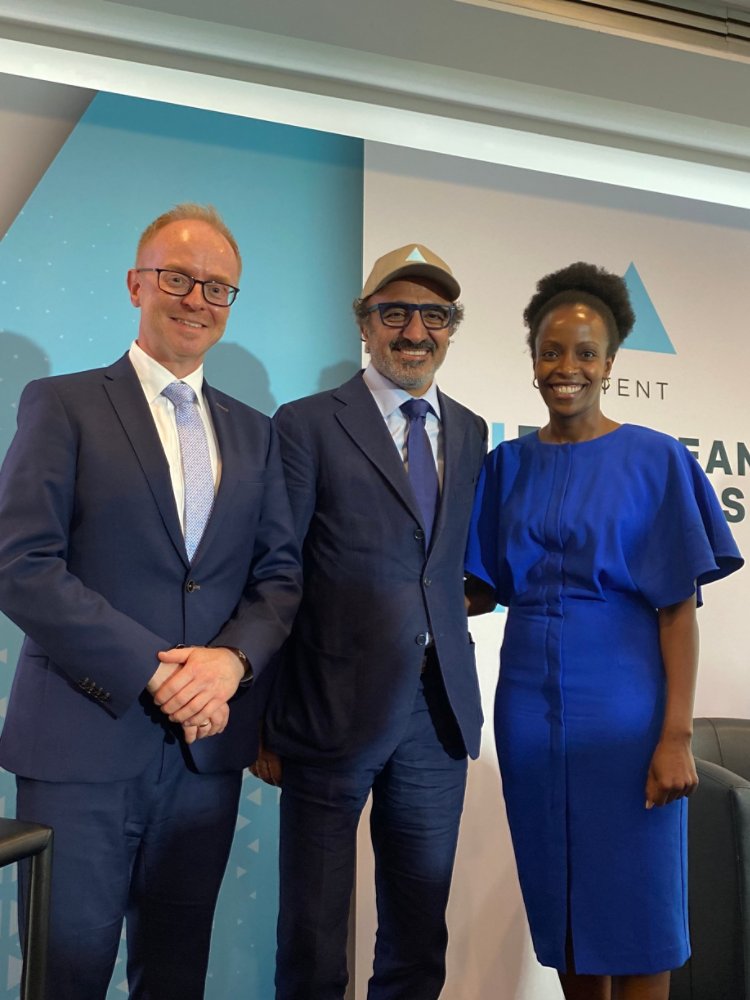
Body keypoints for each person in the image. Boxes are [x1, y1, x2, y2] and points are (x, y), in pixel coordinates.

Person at [0, 203, 302, 1000]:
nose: (197, 299)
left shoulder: (257, 434)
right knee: (65, 975)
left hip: (204, 757)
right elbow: (21, 564)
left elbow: (278, 578)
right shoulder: (61, 404)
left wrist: (231, 663)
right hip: (81, 749)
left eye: (217, 287)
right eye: (178, 278)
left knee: (174, 977)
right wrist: (154, 671)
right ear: (136, 284)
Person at [465, 262, 743, 1000]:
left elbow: (677, 611)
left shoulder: (655, 459)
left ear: (611, 362)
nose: (568, 367)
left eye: (585, 353)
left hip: (627, 717)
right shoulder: (505, 466)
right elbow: (474, 589)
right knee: (564, 908)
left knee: (640, 913)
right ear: (532, 361)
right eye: (552, 351)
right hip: (528, 714)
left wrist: (676, 735)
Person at [253, 244, 488, 999]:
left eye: (434, 315)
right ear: (364, 324)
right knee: (314, 932)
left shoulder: (473, 430)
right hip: (327, 711)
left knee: (419, 933)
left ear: (451, 328)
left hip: (437, 713)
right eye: (395, 313)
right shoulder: (305, 424)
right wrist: (262, 718)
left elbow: (444, 563)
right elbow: (277, 572)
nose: (415, 331)